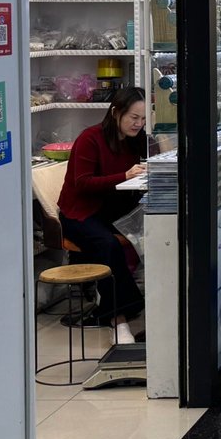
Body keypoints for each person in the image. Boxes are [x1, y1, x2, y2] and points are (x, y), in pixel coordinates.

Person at [56, 87, 149, 342]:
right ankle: (118, 320)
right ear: (115, 112)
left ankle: (132, 307)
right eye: (133, 117)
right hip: (79, 214)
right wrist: (125, 176)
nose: (138, 124)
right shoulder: (91, 138)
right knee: (108, 246)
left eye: (143, 119)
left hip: (111, 211)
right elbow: (83, 183)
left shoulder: (136, 140)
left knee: (155, 230)